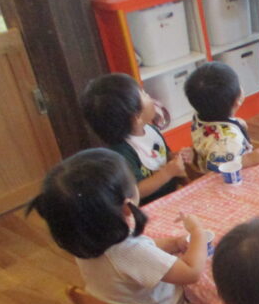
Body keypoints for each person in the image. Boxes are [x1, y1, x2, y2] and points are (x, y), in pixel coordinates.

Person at [27, 148, 208, 304]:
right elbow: (191, 272)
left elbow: (142, 252)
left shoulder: (87, 237)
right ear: (126, 204)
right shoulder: (128, 252)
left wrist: (173, 243)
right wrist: (197, 231)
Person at [81, 73, 193, 205]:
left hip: (172, 197)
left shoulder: (150, 130)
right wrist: (168, 173)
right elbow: (135, 191)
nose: (149, 96)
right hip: (151, 208)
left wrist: (176, 157)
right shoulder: (122, 152)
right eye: (144, 94)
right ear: (137, 118)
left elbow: (163, 155)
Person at [184, 62, 259, 173]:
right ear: (237, 101)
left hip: (208, 154)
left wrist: (235, 124)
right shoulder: (227, 141)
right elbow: (219, 166)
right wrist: (248, 160)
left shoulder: (200, 115)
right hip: (228, 177)